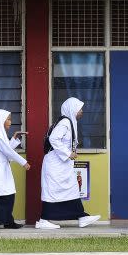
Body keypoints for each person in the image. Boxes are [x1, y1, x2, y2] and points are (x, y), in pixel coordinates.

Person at [37, 97, 101, 230]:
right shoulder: (65, 122)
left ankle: (81, 217)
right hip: (55, 165)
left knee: (71, 189)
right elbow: (54, 139)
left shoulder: (68, 122)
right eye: (80, 109)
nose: (82, 112)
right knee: (52, 192)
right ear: (72, 110)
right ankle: (43, 220)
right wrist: (68, 153)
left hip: (61, 166)